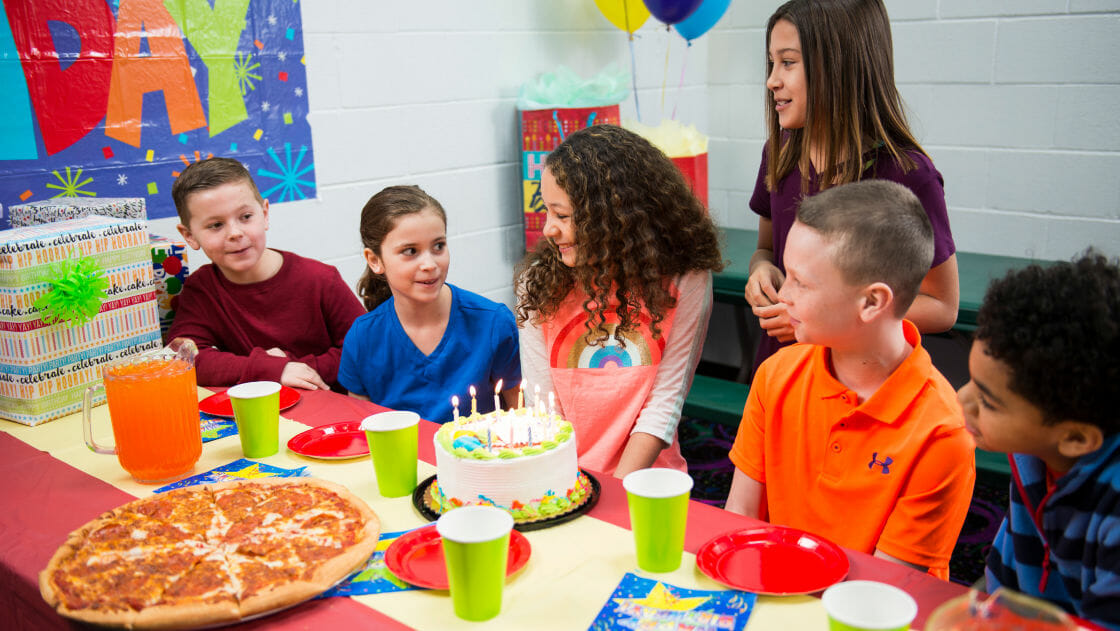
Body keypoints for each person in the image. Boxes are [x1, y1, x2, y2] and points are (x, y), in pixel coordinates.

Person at [726, 180, 975, 580]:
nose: (782, 294)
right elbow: (738, 521)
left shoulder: (941, 434)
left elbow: (883, 590)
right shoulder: (776, 375)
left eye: (800, 282)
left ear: (872, 302)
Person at [744, 0, 959, 374]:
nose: (772, 80)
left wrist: (829, 320)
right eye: (771, 64)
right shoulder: (778, 153)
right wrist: (760, 272)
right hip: (782, 373)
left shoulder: (908, 173)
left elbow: (942, 307)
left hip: (860, 385)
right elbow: (766, 249)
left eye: (788, 62)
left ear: (838, 67)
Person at [516, 124, 723, 479]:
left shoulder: (685, 280)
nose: (548, 229)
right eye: (546, 212)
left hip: (647, 480)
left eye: (562, 215)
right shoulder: (536, 286)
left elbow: (664, 405)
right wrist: (573, 489)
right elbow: (543, 410)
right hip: (565, 478)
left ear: (612, 217)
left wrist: (614, 494)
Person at [957, 253, 1120, 627]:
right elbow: (1006, 582)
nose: (960, 400)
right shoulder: (1032, 455)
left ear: (1075, 438)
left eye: (987, 401)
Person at [168, 157, 364, 390]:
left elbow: (366, 349)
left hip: (332, 411)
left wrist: (293, 368)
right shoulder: (201, 289)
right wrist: (270, 369)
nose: (235, 233)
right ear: (189, 235)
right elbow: (184, 358)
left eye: (246, 217)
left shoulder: (321, 279)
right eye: (215, 225)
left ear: (265, 214)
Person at [338, 185, 520, 423]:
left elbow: (522, 419)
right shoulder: (362, 337)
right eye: (410, 251)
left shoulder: (493, 323)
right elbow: (361, 428)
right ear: (375, 260)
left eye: (438, 246)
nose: (429, 264)